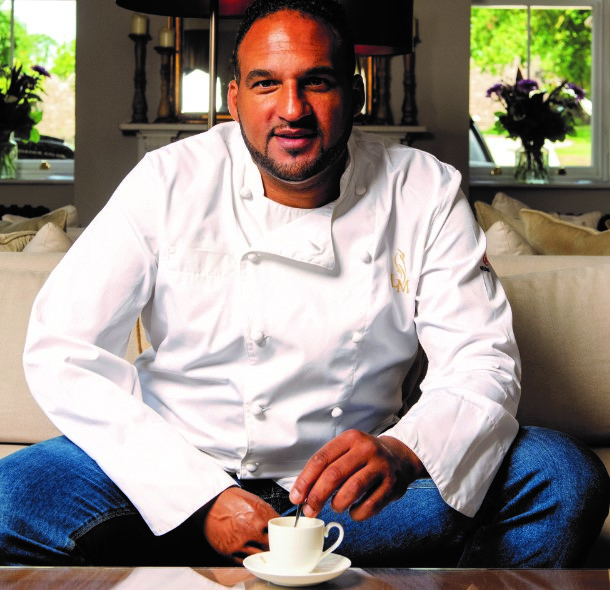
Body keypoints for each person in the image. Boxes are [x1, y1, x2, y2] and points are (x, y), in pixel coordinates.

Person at [0, 0, 608, 568]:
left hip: (348, 500)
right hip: (174, 482)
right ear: (234, 99)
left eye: (317, 82)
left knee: (561, 477)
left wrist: (402, 451)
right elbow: (63, 349)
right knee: (10, 496)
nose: (292, 109)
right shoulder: (168, 180)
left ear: (355, 93)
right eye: (266, 83)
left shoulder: (423, 189)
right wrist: (195, 496)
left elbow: (483, 359)